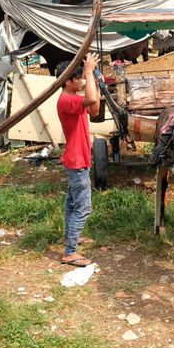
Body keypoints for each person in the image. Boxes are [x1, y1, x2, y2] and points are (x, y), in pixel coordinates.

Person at [56, 52, 101, 267]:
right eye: (79, 77)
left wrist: (95, 82)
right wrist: (90, 71)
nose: (82, 80)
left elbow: (94, 109)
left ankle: (69, 237)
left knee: (72, 203)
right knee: (84, 207)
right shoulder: (66, 100)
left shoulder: (74, 99)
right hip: (77, 161)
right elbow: (90, 100)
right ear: (67, 81)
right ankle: (70, 252)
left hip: (78, 158)